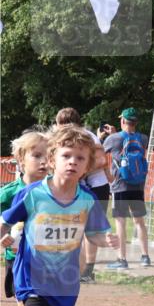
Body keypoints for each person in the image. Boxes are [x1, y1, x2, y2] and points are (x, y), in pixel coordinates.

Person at [0, 126, 118, 306]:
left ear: (88, 166)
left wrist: (107, 240)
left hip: (64, 279)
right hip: (32, 272)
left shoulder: (88, 201)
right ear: (52, 160)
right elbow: (5, 222)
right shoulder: (32, 194)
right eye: (66, 156)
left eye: (80, 158)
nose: (73, 162)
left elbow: (94, 235)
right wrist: (3, 236)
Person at [1, 129, 50, 306]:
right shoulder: (10, 193)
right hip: (17, 262)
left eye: (48, 155)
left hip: (45, 263)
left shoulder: (54, 191)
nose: (44, 161)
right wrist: (3, 237)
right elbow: (1, 223)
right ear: (21, 159)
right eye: (37, 155)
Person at [53, 107, 110, 282]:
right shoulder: (64, 138)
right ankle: (73, 268)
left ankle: (87, 271)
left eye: (65, 126)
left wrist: (81, 172)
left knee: (91, 230)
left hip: (97, 187)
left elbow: (101, 160)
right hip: (79, 187)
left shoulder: (88, 136)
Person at [102, 107, 151, 270]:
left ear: (122, 120)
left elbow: (100, 152)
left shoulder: (113, 139)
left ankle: (121, 259)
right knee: (139, 221)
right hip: (137, 185)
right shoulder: (143, 138)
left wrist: (106, 135)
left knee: (120, 222)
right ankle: (145, 257)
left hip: (120, 185)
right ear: (136, 122)